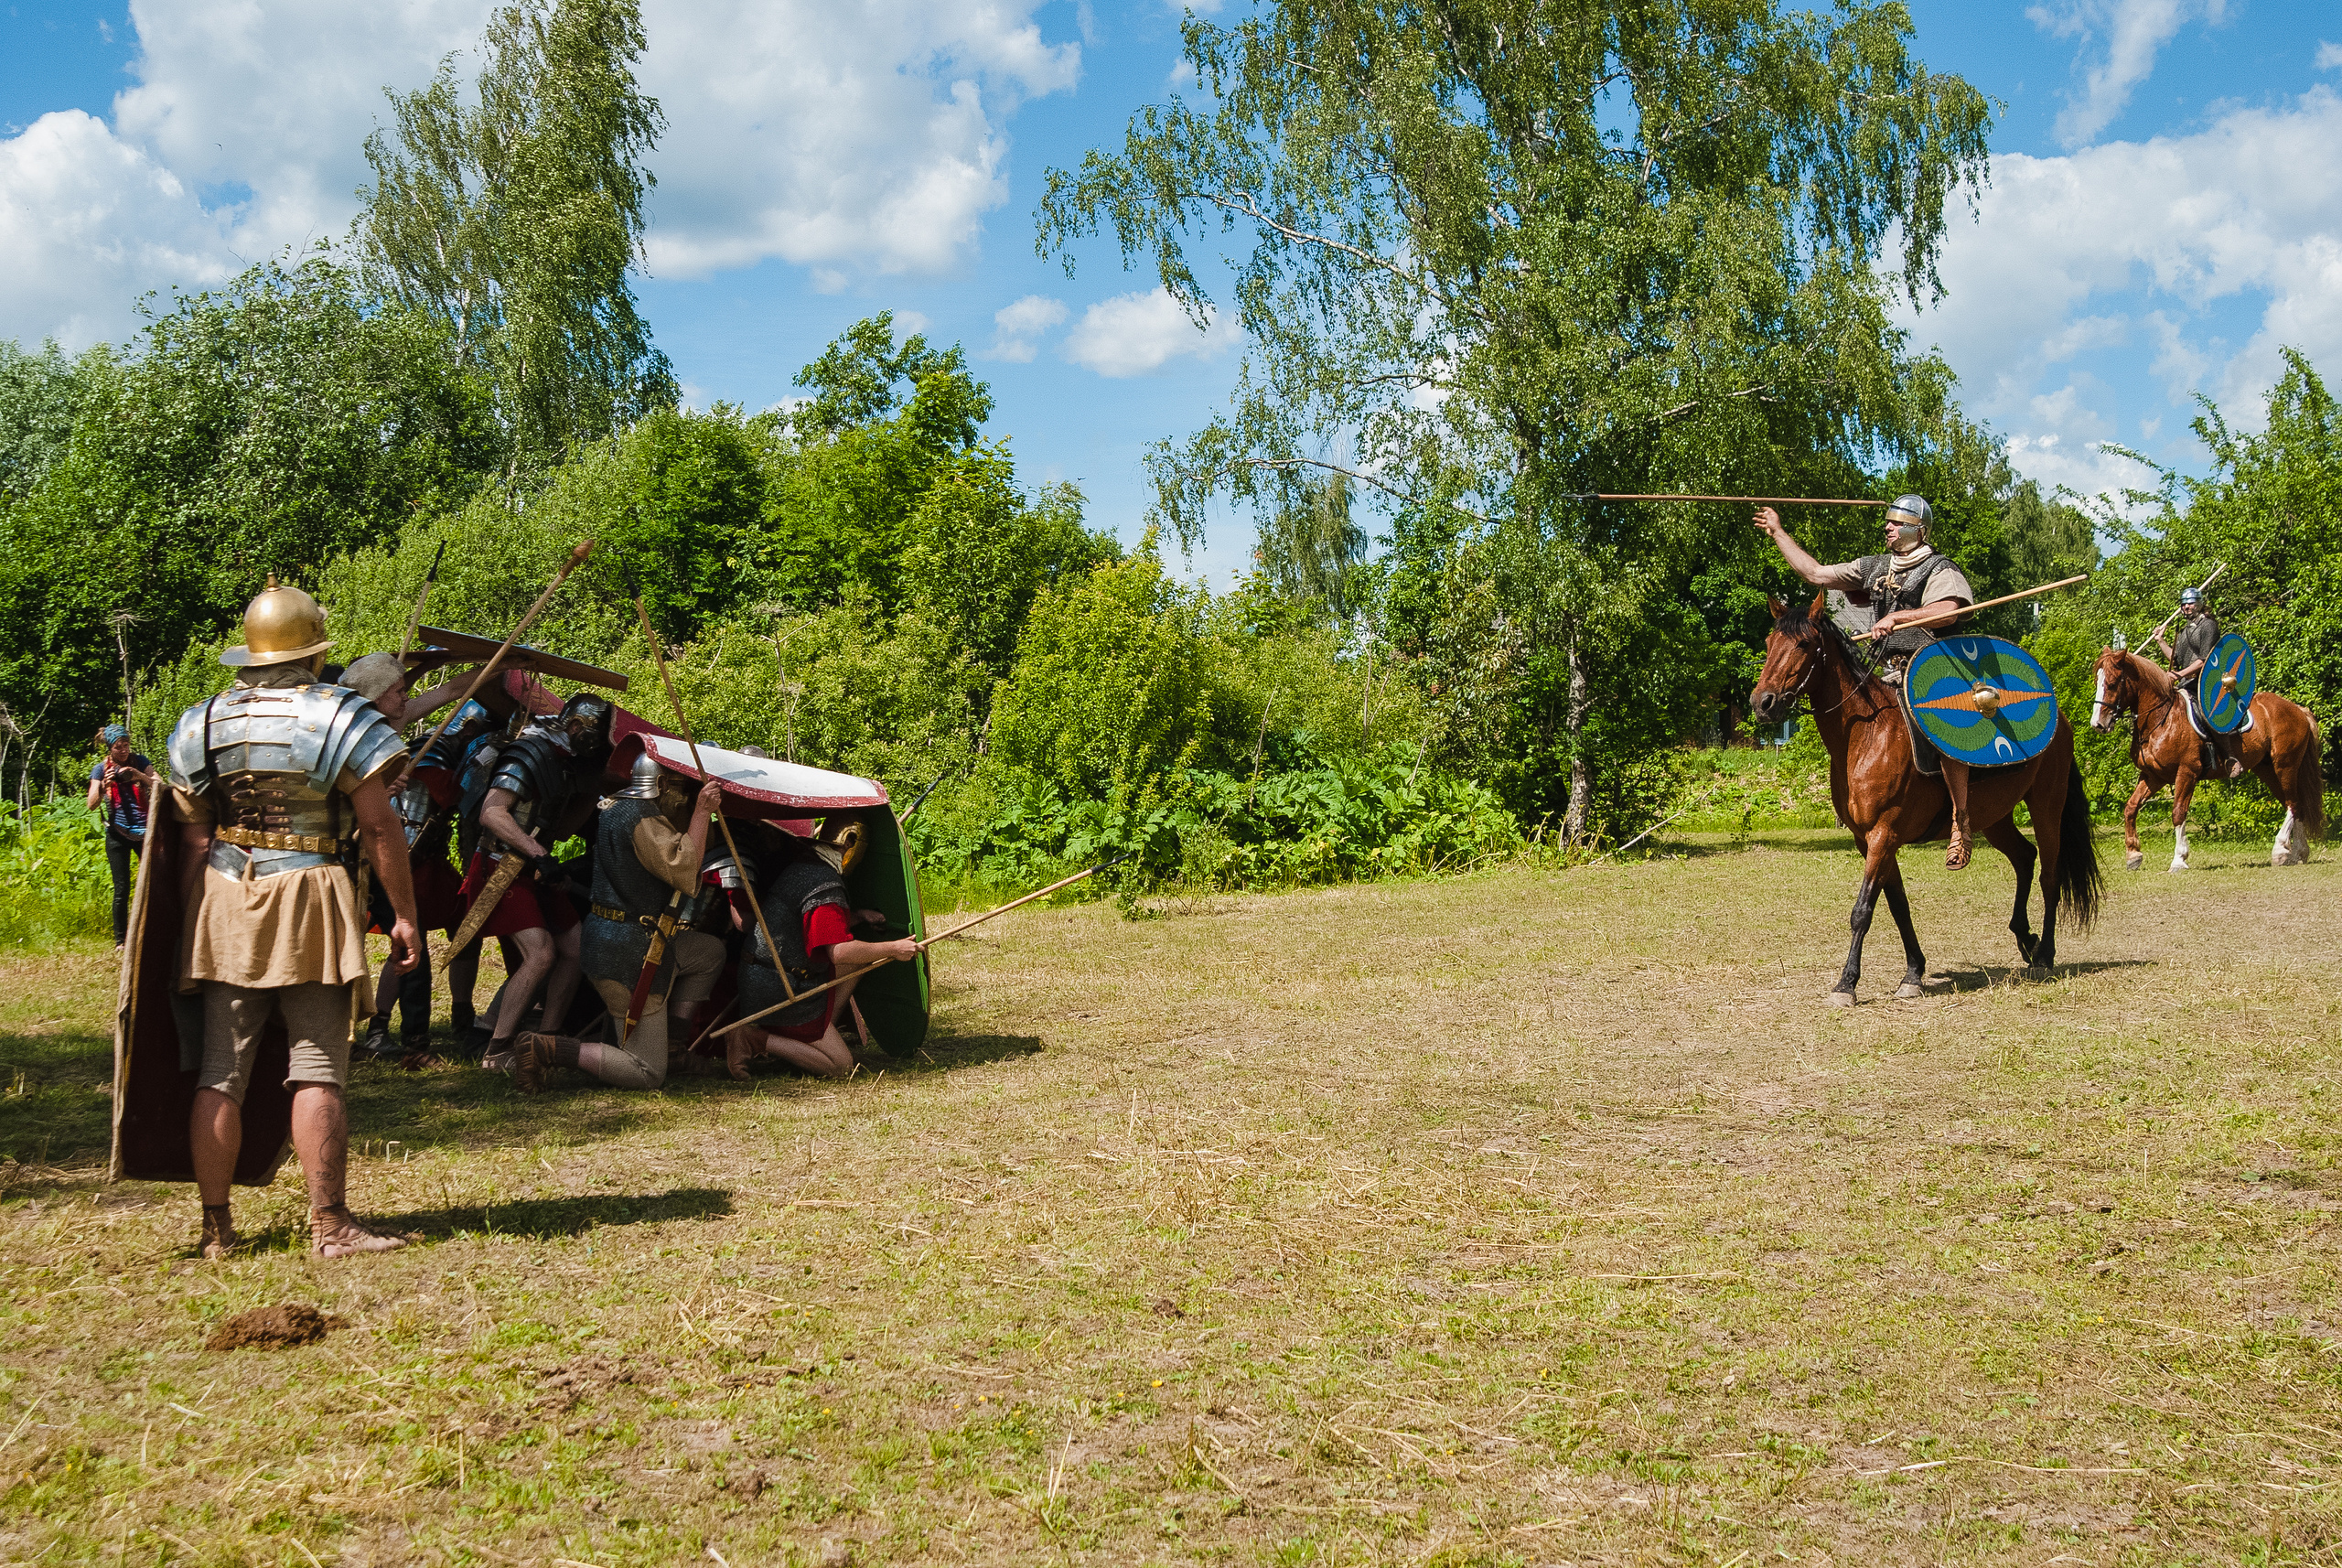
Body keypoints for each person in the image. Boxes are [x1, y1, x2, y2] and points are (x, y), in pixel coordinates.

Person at [161, 576, 418, 1260]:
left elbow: (191, 838)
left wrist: (183, 925)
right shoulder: (339, 714)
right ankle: (329, 1226)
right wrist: (406, 916)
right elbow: (381, 829)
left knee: (221, 1068)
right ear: (313, 653)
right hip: (310, 895)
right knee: (316, 1066)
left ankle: (217, 1232)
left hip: (224, 896)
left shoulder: (202, 721)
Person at [1756, 494, 1982, 869]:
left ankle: (1961, 822)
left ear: (1918, 530)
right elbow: (1816, 574)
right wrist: (1778, 532)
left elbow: (1948, 610)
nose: (1887, 528)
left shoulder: (1939, 568)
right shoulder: (1875, 567)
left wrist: (1899, 617)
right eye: (1888, 523)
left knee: (1947, 724)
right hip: (1888, 670)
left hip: (1933, 669)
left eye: (1896, 524)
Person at [510, 751, 725, 1090]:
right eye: (678, 789)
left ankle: (672, 1048)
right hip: (631, 949)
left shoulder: (616, 806)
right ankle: (547, 1048)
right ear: (661, 784)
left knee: (708, 952)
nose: (682, 797)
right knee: (648, 1072)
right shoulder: (642, 819)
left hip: (623, 936)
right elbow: (684, 867)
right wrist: (700, 812)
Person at [337, 653, 483, 1059]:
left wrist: (495, 664)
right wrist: (378, 791)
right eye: (398, 691)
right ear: (374, 695)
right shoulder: (338, 734)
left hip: (376, 857)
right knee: (341, 947)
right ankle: (343, 1038)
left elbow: (452, 691)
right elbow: (330, 800)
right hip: (341, 857)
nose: (407, 698)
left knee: (409, 938)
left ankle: (415, 1042)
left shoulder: (390, 722)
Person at [459, 693, 611, 1064]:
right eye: (594, 732)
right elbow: (493, 814)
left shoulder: (566, 764)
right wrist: (541, 856)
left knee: (575, 949)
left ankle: (545, 1042)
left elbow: (558, 831)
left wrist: (593, 791)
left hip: (530, 867)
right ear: (575, 726)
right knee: (541, 954)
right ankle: (497, 1049)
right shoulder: (530, 752)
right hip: (499, 864)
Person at [726, 819, 916, 1079]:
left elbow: (810, 923)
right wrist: (893, 948)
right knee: (840, 1066)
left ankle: (818, 1034)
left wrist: (858, 916)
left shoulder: (806, 867)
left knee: (858, 963)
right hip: (781, 988)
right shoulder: (823, 881)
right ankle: (754, 1039)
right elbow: (838, 952)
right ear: (849, 843)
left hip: (764, 974)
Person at [2152, 586, 2244, 780]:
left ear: (2200, 604)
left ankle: (2230, 757)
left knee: (2206, 709)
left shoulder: (2208, 626)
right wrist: (2160, 641)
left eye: (2190, 603)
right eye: (2183, 604)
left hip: (2207, 681)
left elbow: (2204, 660)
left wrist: (2178, 675)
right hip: (2186, 683)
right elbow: (2175, 658)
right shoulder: (2185, 631)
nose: (2186, 607)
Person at [86, 724, 156, 945]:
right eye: (118, 747)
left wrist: (138, 776)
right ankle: (121, 941)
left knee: (151, 883)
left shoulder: (141, 762)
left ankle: (151, 933)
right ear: (110, 748)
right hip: (116, 833)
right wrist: (103, 785)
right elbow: (91, 804)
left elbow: (160, 785)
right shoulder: (100, 769)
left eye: (126, 745)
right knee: (122, 888)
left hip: (144, 831)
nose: (124, 750)